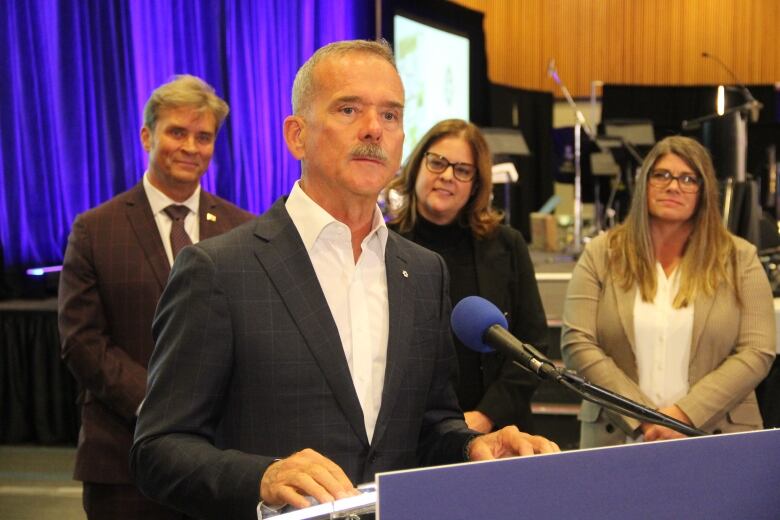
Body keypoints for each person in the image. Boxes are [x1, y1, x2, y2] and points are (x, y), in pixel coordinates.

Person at [130, 40, 558, 520]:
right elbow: (158, 450)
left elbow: (431, 425)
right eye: (349, 109)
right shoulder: (219, 270)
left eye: (391, 115)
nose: (374, 128)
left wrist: (471, 447)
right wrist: (262, 477)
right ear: (297, 136)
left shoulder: (422, 273)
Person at [58, 75, 254, 520]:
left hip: (221, 461)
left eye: (203, 137)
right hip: (122, 459)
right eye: (177, 132)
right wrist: (164, 404)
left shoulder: (244, 229)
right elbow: (81, 341)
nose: (191, 146)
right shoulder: (95, 229)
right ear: (148, 135)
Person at [560, 135, 776, 448]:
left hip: (714, 438)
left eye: (688, 179)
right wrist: (645, 417)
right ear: (644, 183)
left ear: (704, 191)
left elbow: (757, 351)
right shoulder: (602, 253)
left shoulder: (740, 258)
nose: (673, 186)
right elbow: (577, 343)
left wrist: (683, 416)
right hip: (619, 436)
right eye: (662, 175)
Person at [385, 119, 549, 434]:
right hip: (407, 434)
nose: (447, 176)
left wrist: (486, 415)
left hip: (497, 431)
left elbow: (533, 345)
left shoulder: (507, 245)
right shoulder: (382, 243)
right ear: (417, 165)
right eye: (437, 163)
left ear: (476, 184)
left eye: (462, 170)